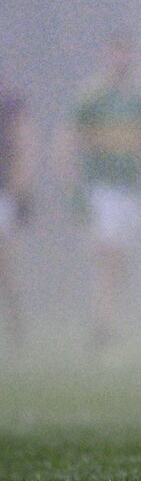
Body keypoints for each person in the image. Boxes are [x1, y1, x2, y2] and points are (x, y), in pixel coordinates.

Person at [57, 34, 141, 349]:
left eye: (126, 54)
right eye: (117, 54)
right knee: (108, 256)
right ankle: (102, 325)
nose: (122, 61)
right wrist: (72, 184)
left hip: (132, 189)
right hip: (102, 188)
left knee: (119, 260)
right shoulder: (92, 97)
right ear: (108, 57)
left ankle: (107, 316)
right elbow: (69, 138)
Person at [0, 81, 36, 349]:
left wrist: (22, 190)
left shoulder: (10, 102)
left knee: (3, 263)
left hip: (4, 191)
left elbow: (24, 144)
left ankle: (16, 325)